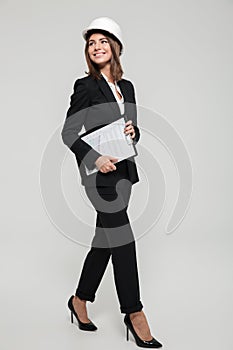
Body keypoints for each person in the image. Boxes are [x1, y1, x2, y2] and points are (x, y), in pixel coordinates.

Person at [61, 17, 163, 348]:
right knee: (122, 239)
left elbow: (132, 129)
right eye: (91, 43)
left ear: (115, 47)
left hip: (124, 175)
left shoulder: (127, 87)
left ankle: (80, 299)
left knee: (104, 241)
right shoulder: (85, 86)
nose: (96, 47)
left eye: (102, 41)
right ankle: (134, 313)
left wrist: (135, 132)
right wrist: (95, 158)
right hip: (99, 176)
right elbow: (68, 133)